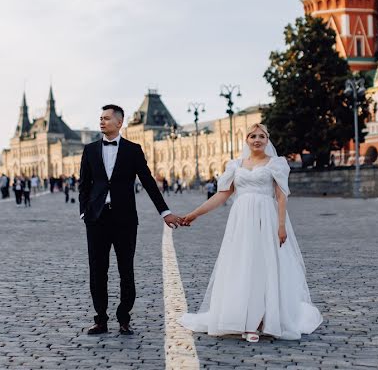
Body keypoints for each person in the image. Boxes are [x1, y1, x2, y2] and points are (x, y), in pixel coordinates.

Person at [178, 123, 322, 343]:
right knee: (243, 266)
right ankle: (244, 318)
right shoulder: (235, 165)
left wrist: (281, 226)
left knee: (265, 266)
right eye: (253, 136)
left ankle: (262, 320)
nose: (257, 139)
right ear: (246, 140)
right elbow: (221, 196)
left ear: (267, 140)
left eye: (261, 136)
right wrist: (195, 213)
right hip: (242, 222)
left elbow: (281, 196)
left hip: (267, 218)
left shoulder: (276, 164)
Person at [80, 104, 182, 336]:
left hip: (124, 219)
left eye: (106, 118)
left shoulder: (133, 150)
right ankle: (101, 319)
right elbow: (84, 185)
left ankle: (124, 318)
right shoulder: (90, 150)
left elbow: (147, 181)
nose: (102, 122)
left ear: (119, 122)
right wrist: (84, 212)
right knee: (97, 271)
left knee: (126, 270)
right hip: (96, 219)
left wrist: (164, 212)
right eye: (100, 118)